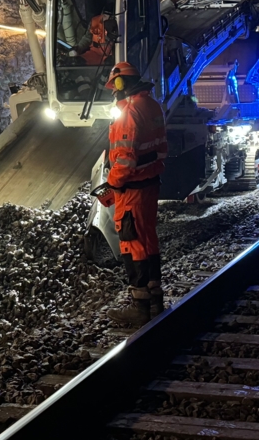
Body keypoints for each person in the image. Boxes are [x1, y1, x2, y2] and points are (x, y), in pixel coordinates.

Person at [100, 61, 168, 327]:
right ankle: (155, 299)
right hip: (151, 183)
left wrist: (112, 184)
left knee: (132, 243)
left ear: (120, 84)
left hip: (132, 189)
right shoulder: (153, 106)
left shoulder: (128, 112)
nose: (113, 93)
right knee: (148, 240)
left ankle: (140, 307)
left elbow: (125, 158)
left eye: (114, 87)